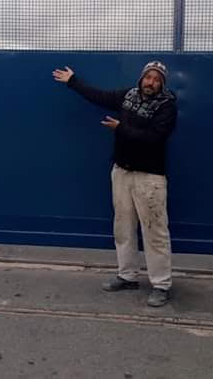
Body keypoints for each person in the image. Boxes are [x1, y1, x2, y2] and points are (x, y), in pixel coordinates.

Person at [52, 61, 178, 307]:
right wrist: (73, 82)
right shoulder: (127, 96)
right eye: (148, 77)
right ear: (141, 78)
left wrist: (121, 128)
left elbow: (154, 138)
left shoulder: (167, 106)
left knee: (155, 231)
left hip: (150, 177)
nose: (151, 83)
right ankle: (127, 275)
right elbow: (99, 96)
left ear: (162, 84)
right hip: (121, 172)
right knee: (123, 226)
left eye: (157, 79)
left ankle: (161, 284)